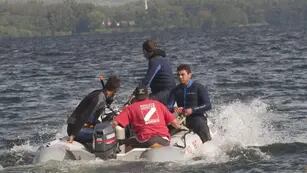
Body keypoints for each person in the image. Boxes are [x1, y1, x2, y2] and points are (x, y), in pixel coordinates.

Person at [112, 86, 181, 149]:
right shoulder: (158, 104)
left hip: (146, 140)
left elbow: (115, 123)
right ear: (147, 96)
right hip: (163, 140)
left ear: (135, 97)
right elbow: (175, 123)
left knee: (126, 143)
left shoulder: (130, 108)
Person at [67, 75, 120, 143]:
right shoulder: (99, 98)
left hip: (84, 126)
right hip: (76, 129)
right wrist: (73, 135)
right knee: (109, 135)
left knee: (108, 125)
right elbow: (84, 116)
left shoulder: (101, 94)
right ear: (115, 90)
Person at [168, 64, 212, 143]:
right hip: (181, 118)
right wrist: (174, 109)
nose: (180, 77)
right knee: (164, 127)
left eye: (182, 74)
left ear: (189, 75)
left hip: (196, 116)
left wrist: (192, 110)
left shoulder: (199, 87)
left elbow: (208, 105)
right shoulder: (175, 90)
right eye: (178, 75)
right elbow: (168, 107)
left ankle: (208, 143)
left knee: (200, 124)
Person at [139, 39, 176, 105]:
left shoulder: (155, 61)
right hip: (165, 92)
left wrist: (137, 91)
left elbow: (148, 80)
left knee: (143, 102)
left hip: (166, 93)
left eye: (143, 52)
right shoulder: (161, 58)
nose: (143, 55)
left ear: (145, 51)